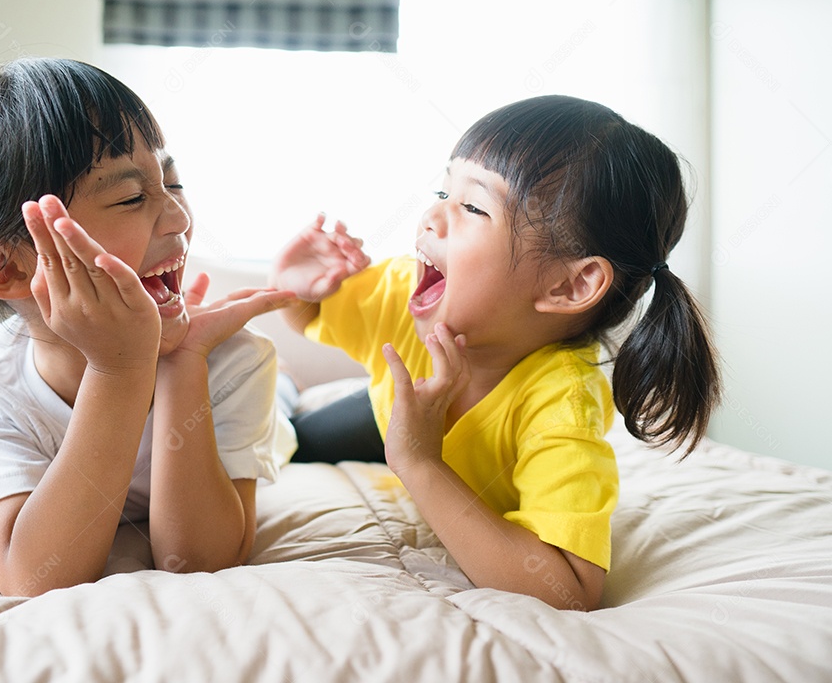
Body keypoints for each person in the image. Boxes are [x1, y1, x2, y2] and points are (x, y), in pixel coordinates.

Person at [0, 58, 296, 596]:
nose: (178, 219)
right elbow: (33, 577)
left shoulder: (234, 359)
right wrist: (119, 368)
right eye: (132, 197)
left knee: (301, 413)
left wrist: (183, 360)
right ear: (6, 267)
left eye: (172, 183)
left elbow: (196, 559)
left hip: (277, 416)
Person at [271, 95, 721, 610]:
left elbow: (570, 591)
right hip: (392, 414)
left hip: (413, 437)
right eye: (444, 190)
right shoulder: (403, 293)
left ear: (571, 284)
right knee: (288, 438)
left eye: (472, 207)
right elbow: (310, 318)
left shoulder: (562, 404)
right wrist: (297, 287)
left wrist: (418, 462)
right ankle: (283, 385)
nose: (431, 217)